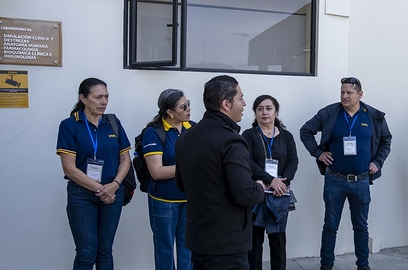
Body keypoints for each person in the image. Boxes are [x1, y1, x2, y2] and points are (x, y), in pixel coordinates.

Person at [300, 76, 392, 270]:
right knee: (330, 226)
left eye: (349, 92)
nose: (344, 96)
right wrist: (318, 153)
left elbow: (386, 140)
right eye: (342, 92)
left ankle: (363, 265)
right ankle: (326, 265)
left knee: (361, 227)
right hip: (335, 180)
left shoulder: (373, 116)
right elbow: (306, 131)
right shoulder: (330, 113)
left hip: (361, 181)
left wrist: (378, 162)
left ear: (360, 94)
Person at [175, 75, 265, 270]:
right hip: (227, 245)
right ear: (226, 104)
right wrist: (259, 187)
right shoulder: (231, 140)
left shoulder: (186, 137)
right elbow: (244, 193)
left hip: (199, 239)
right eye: (240, 98)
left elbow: (181, 184)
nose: (244, 103)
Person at [56, 77, 132, 270]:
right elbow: (69, 169)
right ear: (83, 98)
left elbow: (125, 159)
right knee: (86, 252)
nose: (104, 101)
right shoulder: (69, 125)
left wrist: (114, 185)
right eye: (98, 97)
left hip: (113, 193)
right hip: (82, 195)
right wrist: (101, 189)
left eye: (106, 96)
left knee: (105, 250)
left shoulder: (113, 122)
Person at [242, 95, 298, 270]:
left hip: (279, 193)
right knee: (254, 241)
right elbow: (247, 162)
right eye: (259, 108)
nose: (264, 112)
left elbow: (293, 161)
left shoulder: (287, 136)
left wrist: (283, 182)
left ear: (276, 111)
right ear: (255, 112)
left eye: (268, 108)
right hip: (257, 192)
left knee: (278, 240)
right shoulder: (249, 135)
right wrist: (270, 180)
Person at [141, 89, 195, 270]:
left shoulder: (193, 128)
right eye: (183, 106)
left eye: (189, 104)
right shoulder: (154, 132)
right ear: (170, 112)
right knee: (164, 249)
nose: (189, 109)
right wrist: (189, 167)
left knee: (188, 248)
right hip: (164, 200)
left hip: (190, 199)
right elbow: (156, 171)